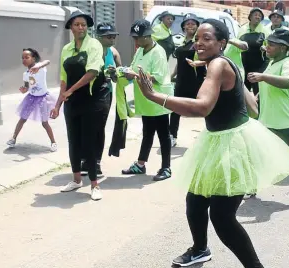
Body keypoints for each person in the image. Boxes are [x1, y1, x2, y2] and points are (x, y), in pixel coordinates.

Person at [135, 19, 289, 268]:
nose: (199, 43)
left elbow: (202, 107)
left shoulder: (219, 65)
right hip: (217, 140)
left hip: (231, 145)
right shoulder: (222, 63)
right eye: (197, 38)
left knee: (222, 216)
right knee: (195, 198)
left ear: (222, 43)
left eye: (207, 38)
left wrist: (154, 95)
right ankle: (200, 249)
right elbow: (252, 107)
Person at [51, 10, 109, 201]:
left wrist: (71, 91)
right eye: (77, 24)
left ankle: (94, 184)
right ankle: (76, 180)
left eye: (84, 24)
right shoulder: (66, 49)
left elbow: (92, 72)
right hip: (72, 103)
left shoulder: (94, 45)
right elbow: (63, 79)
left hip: (91, 100)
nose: (81, 27)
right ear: (71, 27)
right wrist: (58, 104)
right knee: (73, 141)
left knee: (89, 142)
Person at [248, 28, 289, 210]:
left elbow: (288, 82)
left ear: (283, 48)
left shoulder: (288, 63)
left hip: (286, 122)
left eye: (272, 45)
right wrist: (259, 97)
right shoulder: (272, 62)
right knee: (257, 156)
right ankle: (252, 188)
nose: (267, 47)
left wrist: (263, 77)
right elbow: (270, 87)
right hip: (267, 121)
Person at [122, 19, 173, 181]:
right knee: (147, 133)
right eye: (134, 38)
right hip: (145, 100)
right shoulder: (140, 50)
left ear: (148, 35)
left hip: (158, 100)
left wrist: (135, 75)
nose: (135, 41)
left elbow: (157, 78)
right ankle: (141, 164)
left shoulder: (158, 52)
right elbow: (134, 66)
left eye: (138, 38)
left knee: (163, 134)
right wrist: (124, 71)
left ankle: (166, 168)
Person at [80, 22, 122, 177]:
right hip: (88, 93)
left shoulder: (114, 52)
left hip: (105, 94)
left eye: (114, 36)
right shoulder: (88, 51)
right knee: (85, 127)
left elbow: (119, 77)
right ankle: (84, 159)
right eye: (108, 36)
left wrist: (114, 73)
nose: (112, 39)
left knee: (99, 127)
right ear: (98, 37)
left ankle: (96, 161)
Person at [7, 48, 57, 151]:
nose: (24, 60)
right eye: (22, 58)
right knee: (22, 119)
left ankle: (53, 142)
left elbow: (48, 61)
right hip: (31, 98)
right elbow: (27, 87)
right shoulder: (26, 74)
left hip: (43, 98)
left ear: (33, 58)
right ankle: (13, 139)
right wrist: (24, 89)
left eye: (27, 57)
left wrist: (39, 65)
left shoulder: (41, 68)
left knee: (44, 122)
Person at [170, 13, 205, 148]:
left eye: (193, 24)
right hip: (181, 82)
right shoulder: (181, 42)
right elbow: (180, 63)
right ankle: (172, 136)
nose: (190, 26)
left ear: (197, 26)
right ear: (183, 26)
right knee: (175, 109)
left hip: (197, 82)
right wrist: (172, 76)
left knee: (205, 110)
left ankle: (210, 136)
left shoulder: (200, 43)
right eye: (187, 23)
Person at [238, 7, 267, 95]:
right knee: (243, 92)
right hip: (244, 65)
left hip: (258, 67)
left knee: (258, 93)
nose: (258, 17)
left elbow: (269, 46)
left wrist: (264, 47)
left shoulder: (265, 31)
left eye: (260, 16)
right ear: (250, 17)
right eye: (255, 15)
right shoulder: (242, 30)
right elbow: (236, 45)